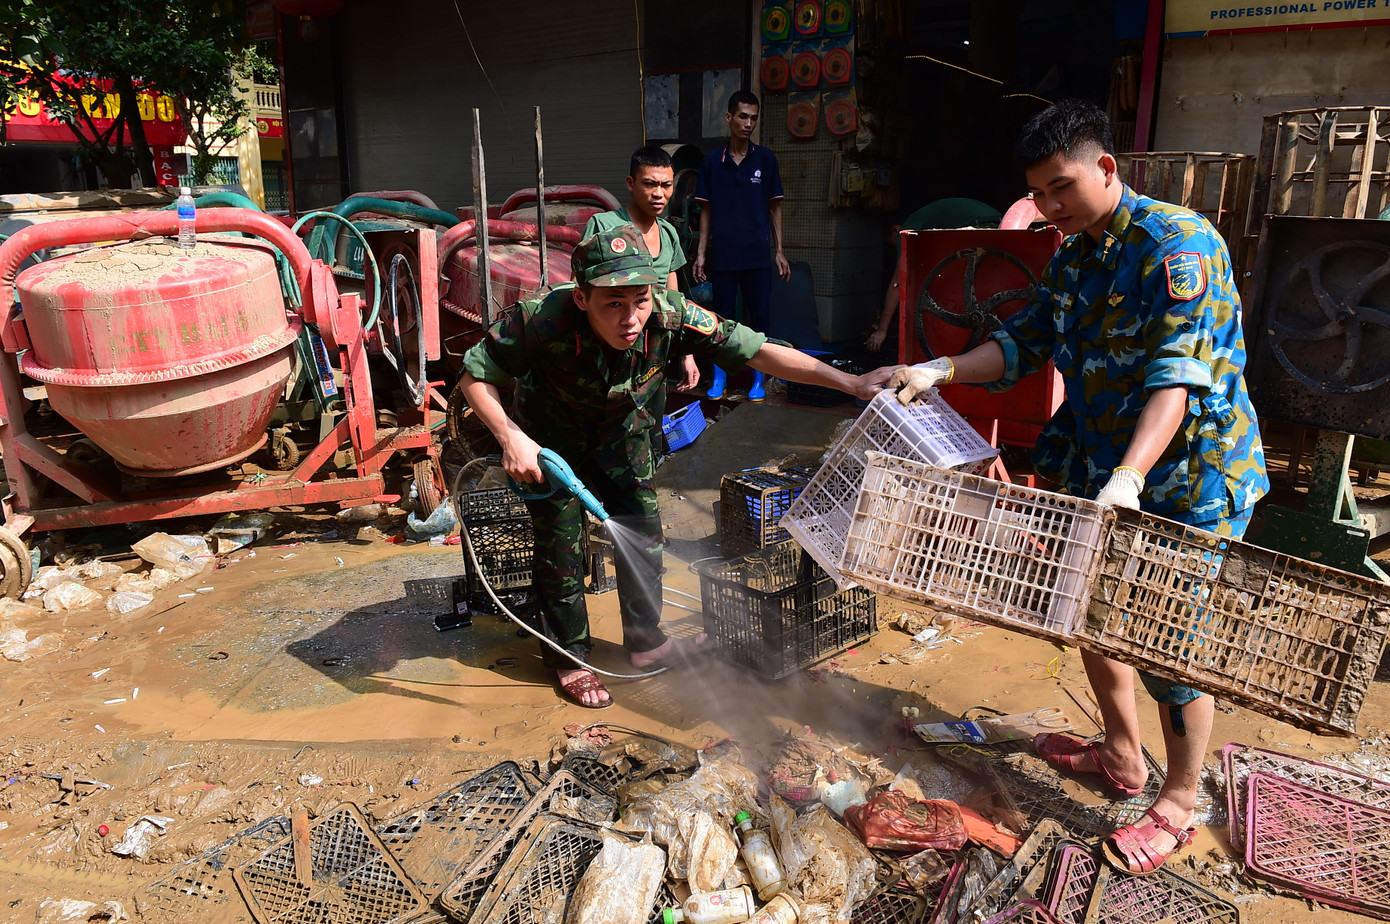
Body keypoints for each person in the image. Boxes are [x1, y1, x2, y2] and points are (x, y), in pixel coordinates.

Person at [890, 99, 1268, 875]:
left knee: (1168, 643)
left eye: (1061, 187)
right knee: (1091, 614)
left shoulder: (1179, 245)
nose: (1050, 206)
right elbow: (1023, 343)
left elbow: (1177, 381)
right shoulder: (1072, 258)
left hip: (1188, 479)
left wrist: (1132, 475)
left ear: (1106, 167)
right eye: (1038, 192)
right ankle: (1122, 755)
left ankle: (1178, 802)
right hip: (1103, 474)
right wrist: (942, 368)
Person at [459, 225, 895, 708]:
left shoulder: (672, 314)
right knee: (560, 549)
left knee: (643, 536)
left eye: (640, 301)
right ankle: (569, 656)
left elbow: (758, 350)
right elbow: (475, 374)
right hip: (552, 444)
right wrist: (511, 438)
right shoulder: (541, 318)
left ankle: (647, 643)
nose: (631, 318)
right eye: (614, 303)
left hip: (623, 438)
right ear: (582, 299)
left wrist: (851, 384)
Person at [692, 89, 790, 401]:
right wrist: (701, 253)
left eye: (753, 118)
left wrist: (779, 251)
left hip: (757, 254)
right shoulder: (712, 161)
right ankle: (720, 376)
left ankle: (758, 380)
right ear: (729, 118)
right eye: (743, 117)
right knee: (721, 319)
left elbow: (775, 207)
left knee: (759, 319)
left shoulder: (766, 159)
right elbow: (706, 210)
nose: (748, 124)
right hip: (723, 255)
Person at [584, 145, 700, 395]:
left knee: (649, 415)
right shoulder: (604, 226)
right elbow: (579, 288)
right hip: (609, 348)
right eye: (649, 184)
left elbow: (674, 301)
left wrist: (686, 354)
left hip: (654, 354)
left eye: (666, 185)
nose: (659, 193)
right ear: (630, 183)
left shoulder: (668, 233)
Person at [866, 199, 1002, 355]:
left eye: (893, 244)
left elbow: (897, 283)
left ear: (894, 229)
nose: (896, 248)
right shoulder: (927, 219)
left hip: (979, 225)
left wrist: (881, 330)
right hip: (1000, 221)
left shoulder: (907, 227)